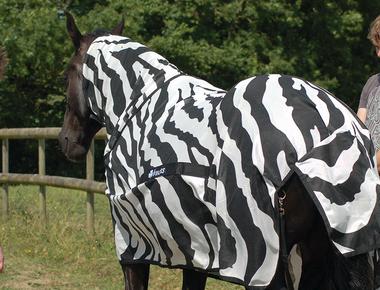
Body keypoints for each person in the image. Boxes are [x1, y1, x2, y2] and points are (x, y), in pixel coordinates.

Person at [357, 15, 380, 172]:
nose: (378, 54)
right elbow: (358, 130)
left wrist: (369, 168)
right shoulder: (372, 83)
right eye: (378, 48)